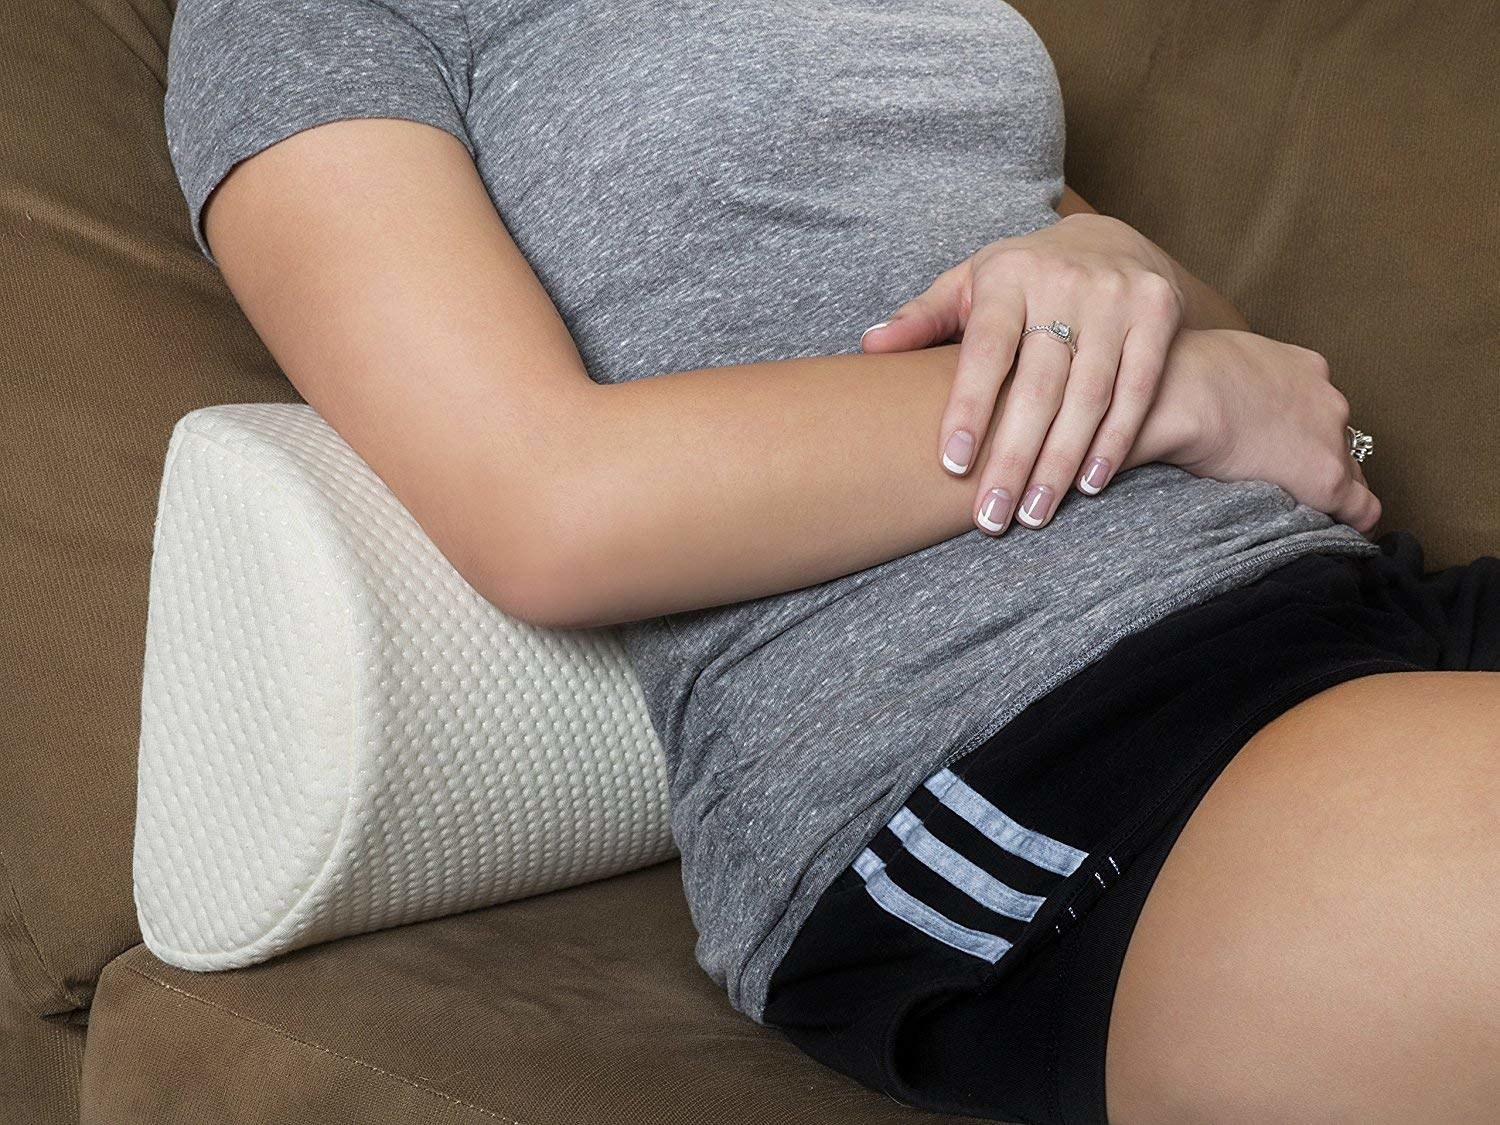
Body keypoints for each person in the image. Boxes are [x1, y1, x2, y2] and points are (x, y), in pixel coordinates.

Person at [161, 2, 1499, 1121]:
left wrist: (1099, 249)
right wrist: (1173, 399)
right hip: (1016, 730)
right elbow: (549, 503)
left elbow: (1217, 361)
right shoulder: (309, 18)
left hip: (1327, 592)